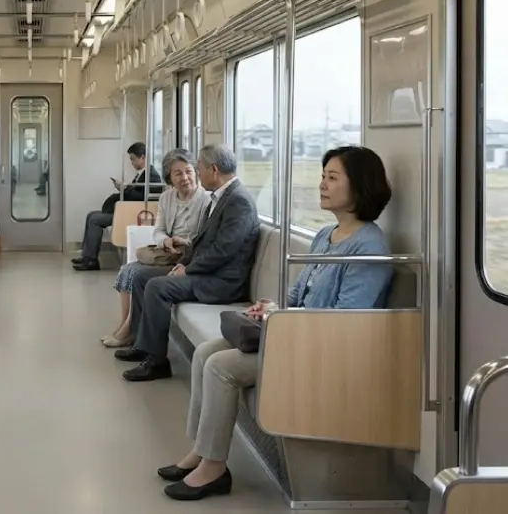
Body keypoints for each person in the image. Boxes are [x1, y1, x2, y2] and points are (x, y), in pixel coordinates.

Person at [158, 145, 394, 501]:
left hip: (322, 348)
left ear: (360, 186)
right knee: (206, 352)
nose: (322, 185)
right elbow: (299, 294)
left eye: (332, 178)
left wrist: (285, 321)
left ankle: (214, 468)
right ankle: (201, 450)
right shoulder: (325, 236)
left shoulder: (368, 247)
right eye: (322, 176)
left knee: (222, 366)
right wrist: (275, 307)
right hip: (295, 334)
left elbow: (346, 322)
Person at [115, 144, 260, 381]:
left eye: (198, 169)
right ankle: (143, 345)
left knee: (157, 287)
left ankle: (157, 362)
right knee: (141, 277)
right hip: (208, 273)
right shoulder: (222, 197)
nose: (197, 175)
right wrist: (184, 263)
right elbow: (207, 244)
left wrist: (188, 268)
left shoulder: (238, 201)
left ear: (213, 170)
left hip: (223, 282)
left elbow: (223, 251)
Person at [101, 148, 210, 347]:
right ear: (170, 178)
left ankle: (128, 330)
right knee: (127, 270)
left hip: (187, 256)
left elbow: (204, 239)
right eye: (178, 174)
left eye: (188, 171)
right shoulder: (166, 198)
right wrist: (166, 241)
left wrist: (183, 242)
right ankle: (126, 326)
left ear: (196, 172)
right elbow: (158, 230)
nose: (185, 177)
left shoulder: (206, 201)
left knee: (136, 273)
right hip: (167, 252)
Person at [73, 142, 163, 271]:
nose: (132, 163)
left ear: (143, 157)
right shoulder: (142, 174)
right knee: (91, 215)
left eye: (133, 159)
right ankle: (86, 256)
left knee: (95, 219)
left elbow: (141, 198)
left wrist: (125, 189)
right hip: (128, 210)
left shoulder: (151, 175)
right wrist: (124, 188)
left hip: (133, 214)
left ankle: (91, 260)